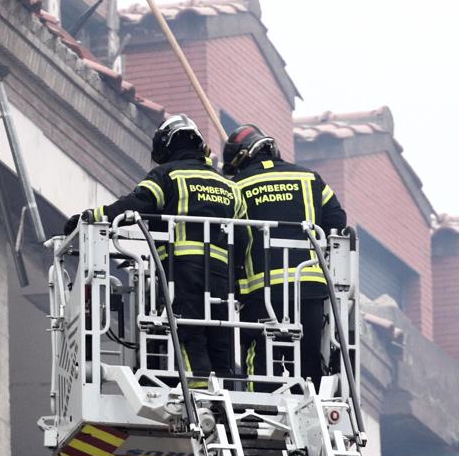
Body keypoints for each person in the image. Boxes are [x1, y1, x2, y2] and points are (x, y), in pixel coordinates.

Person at [64, 114, 245, 382]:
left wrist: (90, 217)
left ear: (166, 147)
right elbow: (243, 237)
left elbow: (134, 205)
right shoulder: (230, 186)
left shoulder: (166, 175)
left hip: (181, 272)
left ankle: (196, 394)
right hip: (221, 277)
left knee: (186, 333)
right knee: (219, 335)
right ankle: (226, 389)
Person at [221, 124, 347, 383]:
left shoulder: (236, 186)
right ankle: (310, 408)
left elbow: (228, 236)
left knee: (261, 359)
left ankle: (261, 413)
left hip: (264, 290)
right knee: (308, 357)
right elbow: (337, 220)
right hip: (309, 287)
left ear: (241, 159)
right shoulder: (309, 178)